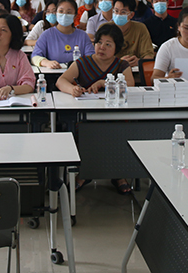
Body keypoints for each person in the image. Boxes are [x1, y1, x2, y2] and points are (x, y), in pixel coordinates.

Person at [56, 23, 135, 194]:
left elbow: (130, 84)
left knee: (121, 130)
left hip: (115, 115)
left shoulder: (121, 65)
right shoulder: (83, 62)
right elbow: (61, 81)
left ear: (117, 48)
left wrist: (104, 83)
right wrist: (72, 89)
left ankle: (118, 174)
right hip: (87, 116)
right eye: (99, 42)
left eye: (108, 44)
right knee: (87, 131)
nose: (102, 47)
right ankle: (84, 173)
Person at [32, 0, 94, 68]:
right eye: (61, 11)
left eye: (69, 12)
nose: (64, 15)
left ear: (75, 16)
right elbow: (35, 57)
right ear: (56, 13)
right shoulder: (47, 35)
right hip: (53, 73)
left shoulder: (83, 36)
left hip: (79, 73)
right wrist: (47, 63)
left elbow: (91, 58)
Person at [107, 0, 155, 67]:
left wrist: (139, 62)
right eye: (116, 11)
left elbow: (148, 54)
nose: (118, 14)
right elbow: (100, 57)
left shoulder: (140, 28)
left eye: (123, 12)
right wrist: (119, 63)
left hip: (135, 69)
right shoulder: (105, 28)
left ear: (131, 15)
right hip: (112, 69)